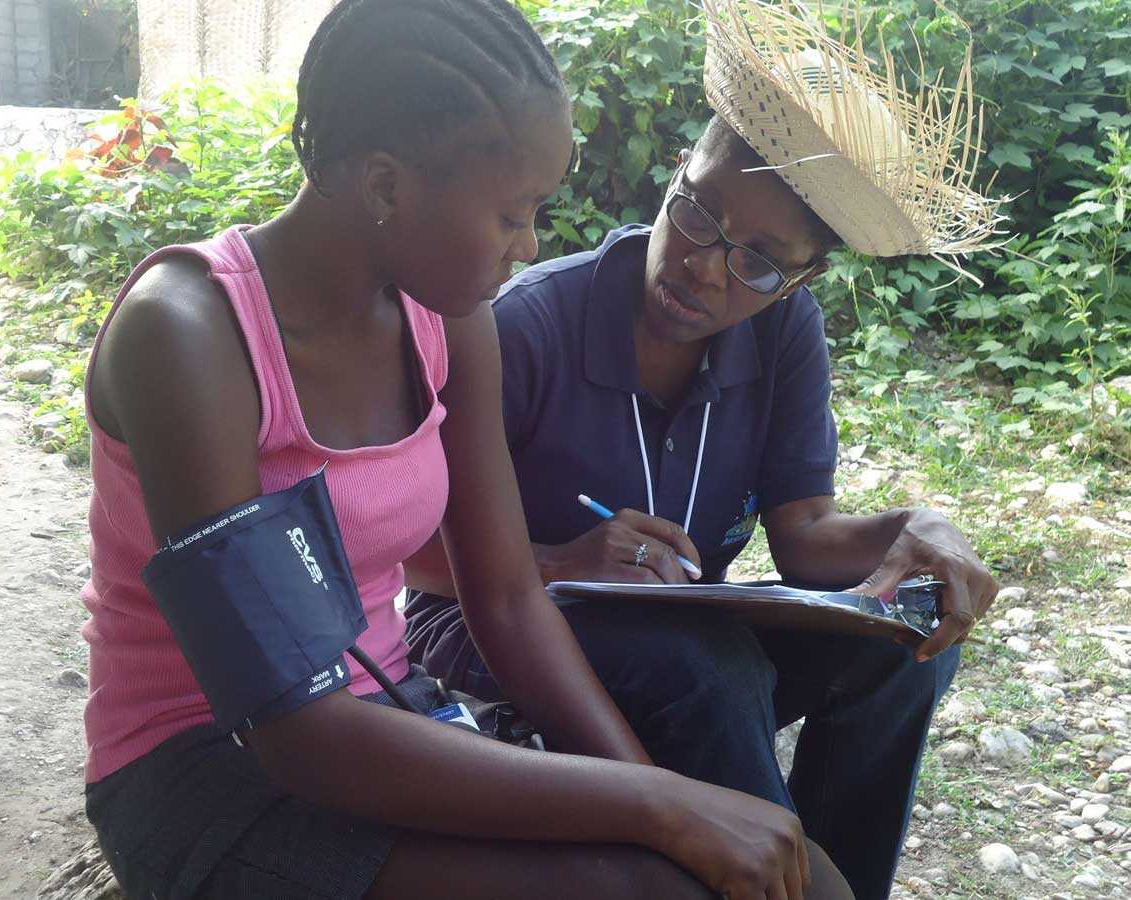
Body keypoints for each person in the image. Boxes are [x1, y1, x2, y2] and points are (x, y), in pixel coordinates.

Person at [78, 1, 855, 898]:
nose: (530, 246)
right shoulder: (188, 337)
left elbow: (511, 602)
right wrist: (656, 807)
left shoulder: (449, 321)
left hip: (386, 715)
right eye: (514, 213)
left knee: (794, 880)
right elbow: (295, 728)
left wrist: (666, 801)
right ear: (384, 187)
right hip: (209, 764)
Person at [404, 4, 1005, 898]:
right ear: (676, 173)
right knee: (704, 670)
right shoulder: (525, 325)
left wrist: (916, 527)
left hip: (678, 627)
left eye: (761, 261)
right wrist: (559, 559)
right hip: (487, 626)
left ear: (805, 277)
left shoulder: (783, 333)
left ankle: (831, 873)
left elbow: (804, 532)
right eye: (697, 212)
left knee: (907, 636)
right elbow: (411, 559)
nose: (703, 266)